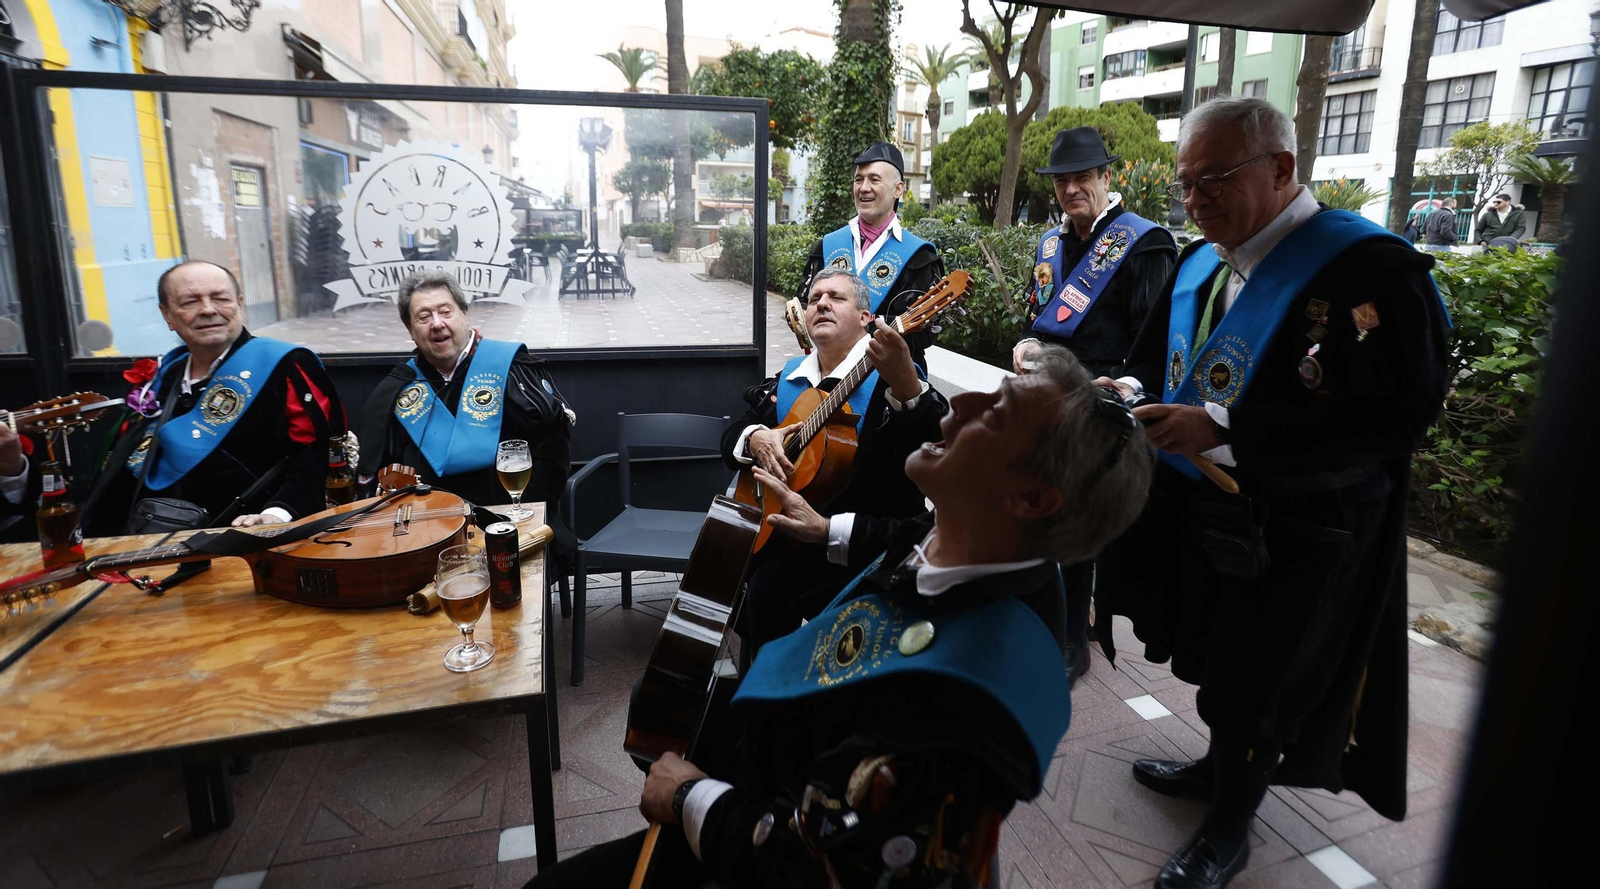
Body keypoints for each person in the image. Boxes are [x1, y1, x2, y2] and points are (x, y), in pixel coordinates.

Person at [525, 345, 1153, 889]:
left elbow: (813, 868)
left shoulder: (963, 716)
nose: (955, 407)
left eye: (995, 413)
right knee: (656, 701)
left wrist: (693, 798)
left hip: (776, 833)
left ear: (1030, 498)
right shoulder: (983, 540)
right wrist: (824, 527)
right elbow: (903, 533)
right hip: (794, 752)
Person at [1099, 97, 1450, 889]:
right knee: (1221, 657)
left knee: (1265, 678)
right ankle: (1217, 769)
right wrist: (1120, 384)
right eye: (1185, 184)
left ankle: (1229, 828)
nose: (1194, 201)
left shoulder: (1371, 271)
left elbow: (1398, 414)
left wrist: (1225, 428)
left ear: (1282, 167)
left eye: (1214, 179)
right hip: (1210, 511)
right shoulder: (1202, 262)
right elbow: (1153, 360)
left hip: (1307, 525)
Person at [0, 260, 345, 536]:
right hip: (150, 543)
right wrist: (15, 467)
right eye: (190, 301)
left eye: (220, 298)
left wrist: (276, 515)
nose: (208, 309)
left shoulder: (284, 365)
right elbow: (118, 478)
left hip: (243, 541)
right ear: (167, 315)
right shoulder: (161, 378)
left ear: (240, 304)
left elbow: (318, 458)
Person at [1011, 125, 1178, 687]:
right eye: (1062, 180)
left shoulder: (1146, 242)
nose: (1072, 189)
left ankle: (1073, 640)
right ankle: (1037, 620)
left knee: (1075, 525)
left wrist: (1124, 388)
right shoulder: (1051, 246)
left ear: (1108, 177)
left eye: (1083, 177)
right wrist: (1028, 345)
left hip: (1104, 410)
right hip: (1047, 401)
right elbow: (1040, 320)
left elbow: (1154, 346)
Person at [723, 267, 945, 655]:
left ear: (866, 318)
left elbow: (933, 441)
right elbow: (731, 437)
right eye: (814, 299)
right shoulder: (791, 376)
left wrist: (909, 390)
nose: (821, 303)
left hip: (868, 544)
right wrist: (756, 437)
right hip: (788, 536)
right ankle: (759, 695)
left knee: (766, 589)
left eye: (836, 297)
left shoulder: (893, 376)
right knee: (736, 576)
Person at [354, 271, 573, 509]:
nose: (437, 324)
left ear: (464, 314)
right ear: (409, 328)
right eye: (423, 317)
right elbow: (378, 478)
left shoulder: (512, 370)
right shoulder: (397, 391)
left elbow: (553, 457)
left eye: (446, 312)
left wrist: (520, 513)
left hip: (513, 519)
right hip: (426, 526)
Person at [795, 142, 945, 357]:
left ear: (898, 189)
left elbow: (925, 334)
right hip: (828, 370)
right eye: (858, 179)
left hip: (890, 378)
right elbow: (803, 305)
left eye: (874, 179)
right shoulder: (826, 246)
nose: (864, 188)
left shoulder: (920, 257)